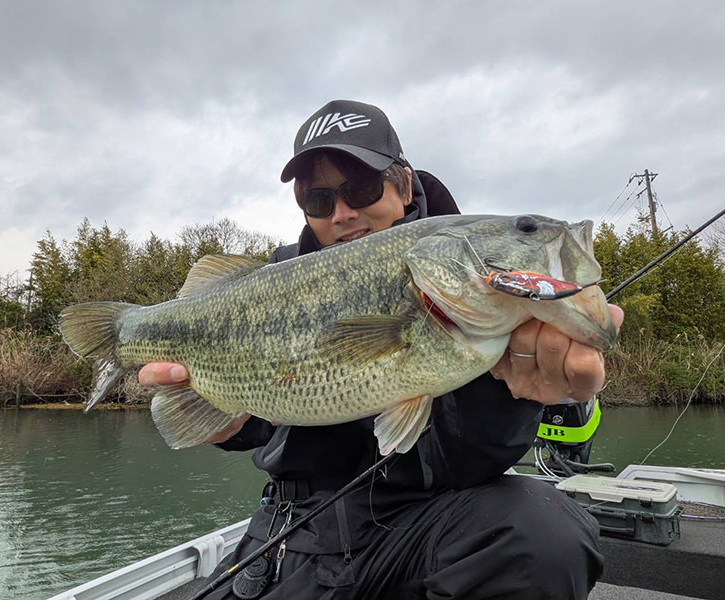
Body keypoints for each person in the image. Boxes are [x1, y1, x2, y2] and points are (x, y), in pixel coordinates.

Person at [139, 100, 624, 599]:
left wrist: (517, 392)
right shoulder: (275, 283)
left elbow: (478, 454)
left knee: (543, 532)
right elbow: (264, 418)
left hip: (430, 529)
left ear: (404, 185)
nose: (343, 212)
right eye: (318, 197)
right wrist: (222, 422)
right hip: (298, 535)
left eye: (361, 188)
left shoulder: (471, 289)